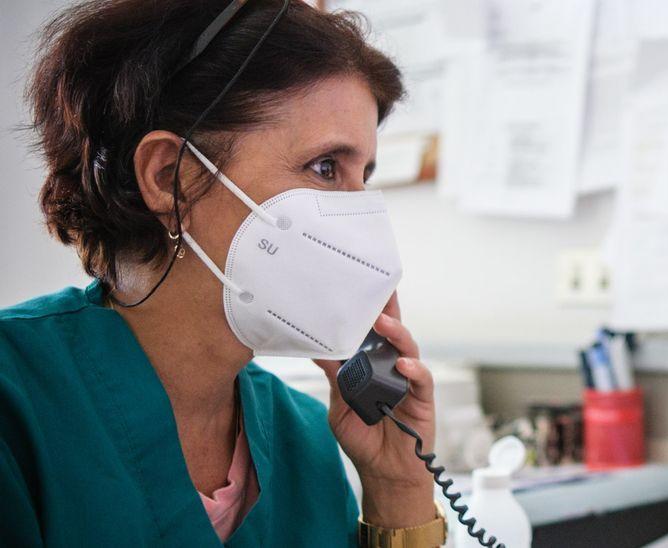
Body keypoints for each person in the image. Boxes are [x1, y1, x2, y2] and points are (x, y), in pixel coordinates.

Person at [1, 1, 445, 546]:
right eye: (326, 167)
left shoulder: (302, 434)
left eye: (365, 175)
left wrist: (398, 487)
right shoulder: (14, 401)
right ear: (171, 177)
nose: (363, 218)